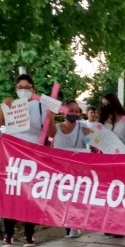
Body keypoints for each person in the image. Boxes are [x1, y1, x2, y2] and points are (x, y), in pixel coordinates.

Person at [0, 74, 50, 247]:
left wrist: (50, 119)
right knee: (11, 193)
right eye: (20, 87)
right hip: (12, 157)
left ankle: (29, 235)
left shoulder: (41, 106)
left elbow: (50, 132)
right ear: (16, 89)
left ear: (34, 89)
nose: (23, 90)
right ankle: (8, 234)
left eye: (27, 87)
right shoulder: (11, 105)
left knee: (30, 195)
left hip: (32, 157)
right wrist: (3, 107)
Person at [52, 99, 89, 238]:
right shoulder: (55, 128)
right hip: (60, 170)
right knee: (62, 198)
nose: (74, 113)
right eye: (70, 110)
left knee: (74, 198)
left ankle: (73, 226)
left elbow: (94, 142)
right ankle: (67, 224)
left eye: (76, 111)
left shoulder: (84, 128)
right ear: (63, 111)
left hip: (77, 170)